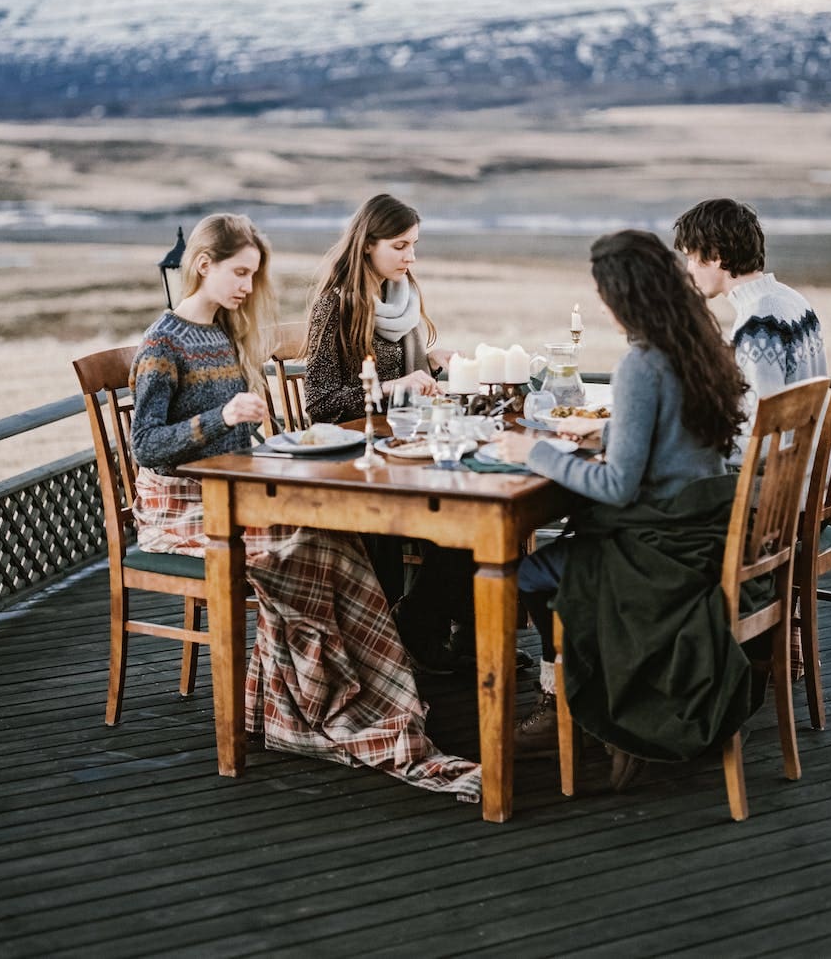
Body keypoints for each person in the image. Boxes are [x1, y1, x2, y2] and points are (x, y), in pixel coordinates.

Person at [128, 211, 479, 802]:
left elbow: (237, 442)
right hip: (185, 505)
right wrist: (222, 417)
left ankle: (359, 690)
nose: (245, 286)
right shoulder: (163, 343)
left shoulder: (226, 334)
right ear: (203, 265)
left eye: (253, 276)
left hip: (237, 486)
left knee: (336, 538)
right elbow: (146, 445)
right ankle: (327, 701)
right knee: (312, 548)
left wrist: (255, 433)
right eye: (238, 273)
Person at [496, 230, 757, 791]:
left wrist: (534, 451)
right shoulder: (697, 344)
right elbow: (673, 436)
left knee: (519, 575)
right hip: (699, 535)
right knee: (553, 558)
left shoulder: (641, 365)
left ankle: (571, 706)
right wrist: (607, 429)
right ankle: (576, 697)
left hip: (653, 557)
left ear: (626, 295)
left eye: (605, 292)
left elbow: (616, 488)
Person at [304, 193, 478, 674]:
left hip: (399, 447)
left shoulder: (402, 296)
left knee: (466, 518)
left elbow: (407, 377)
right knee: (453, 526)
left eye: (414, 245)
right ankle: (413, 632)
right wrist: (393, 385)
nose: (411, 257)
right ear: (367, 245)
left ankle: (440, 634)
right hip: (352, 460)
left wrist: (434, 363)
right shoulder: (334, 305)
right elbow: (319, 405)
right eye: (400, 246)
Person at [672, 197, 827, 466]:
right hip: (811, 465)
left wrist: (688, 447)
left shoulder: (757, 327)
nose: (688, 270)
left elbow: (762, 439)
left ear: (716, 256)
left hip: (781, 484)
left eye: (692, 259)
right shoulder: (793, 300)